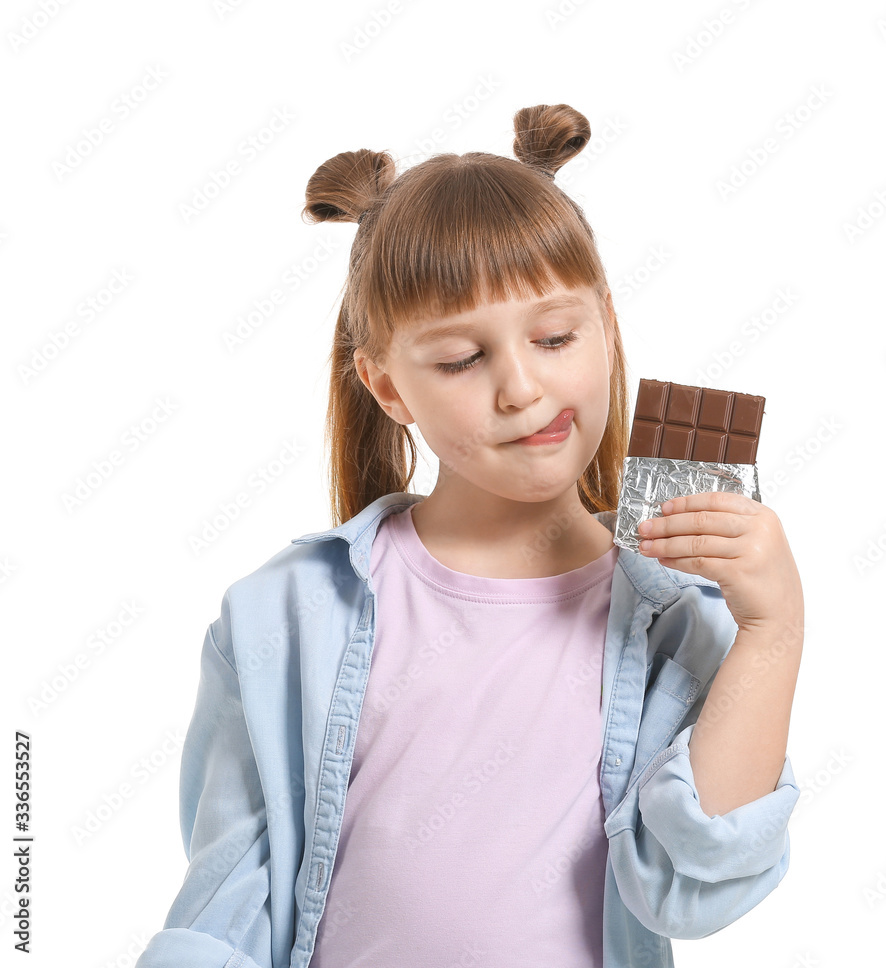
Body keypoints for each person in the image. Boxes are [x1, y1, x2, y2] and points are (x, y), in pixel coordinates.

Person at [136, 103, 804, 968]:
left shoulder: (671, 614)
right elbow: (227, 902)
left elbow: (693, 880)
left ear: (604, 329)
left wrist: (772, 631)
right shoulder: (284, 614)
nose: (522, 388)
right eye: (461, 359)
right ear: (386, 387)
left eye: (556, 336)